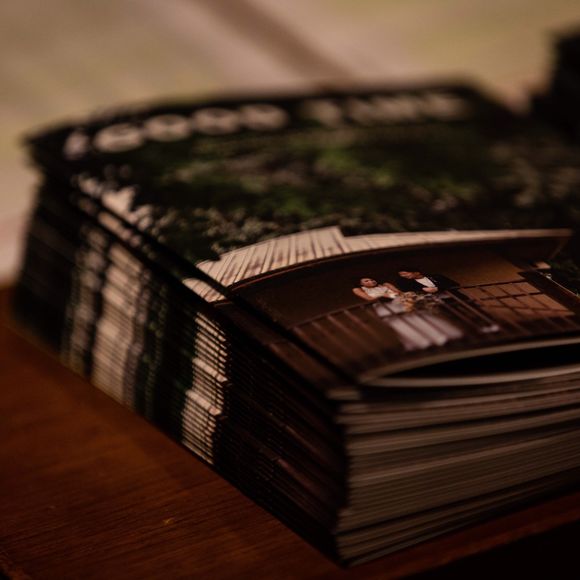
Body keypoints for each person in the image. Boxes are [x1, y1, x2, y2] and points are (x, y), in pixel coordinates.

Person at [352, 277, 462, 351]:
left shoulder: (385, 284)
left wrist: (398, 295)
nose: (371, 281)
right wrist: (383, 296)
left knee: (417, 318)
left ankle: (440, 336)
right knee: (399, 323)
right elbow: (368, 298)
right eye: (366, 281)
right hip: (383, 307)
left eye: (371, 279)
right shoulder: (357, 289)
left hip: (398, 302)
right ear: (361, 284)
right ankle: (421, 342)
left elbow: (399, 292)